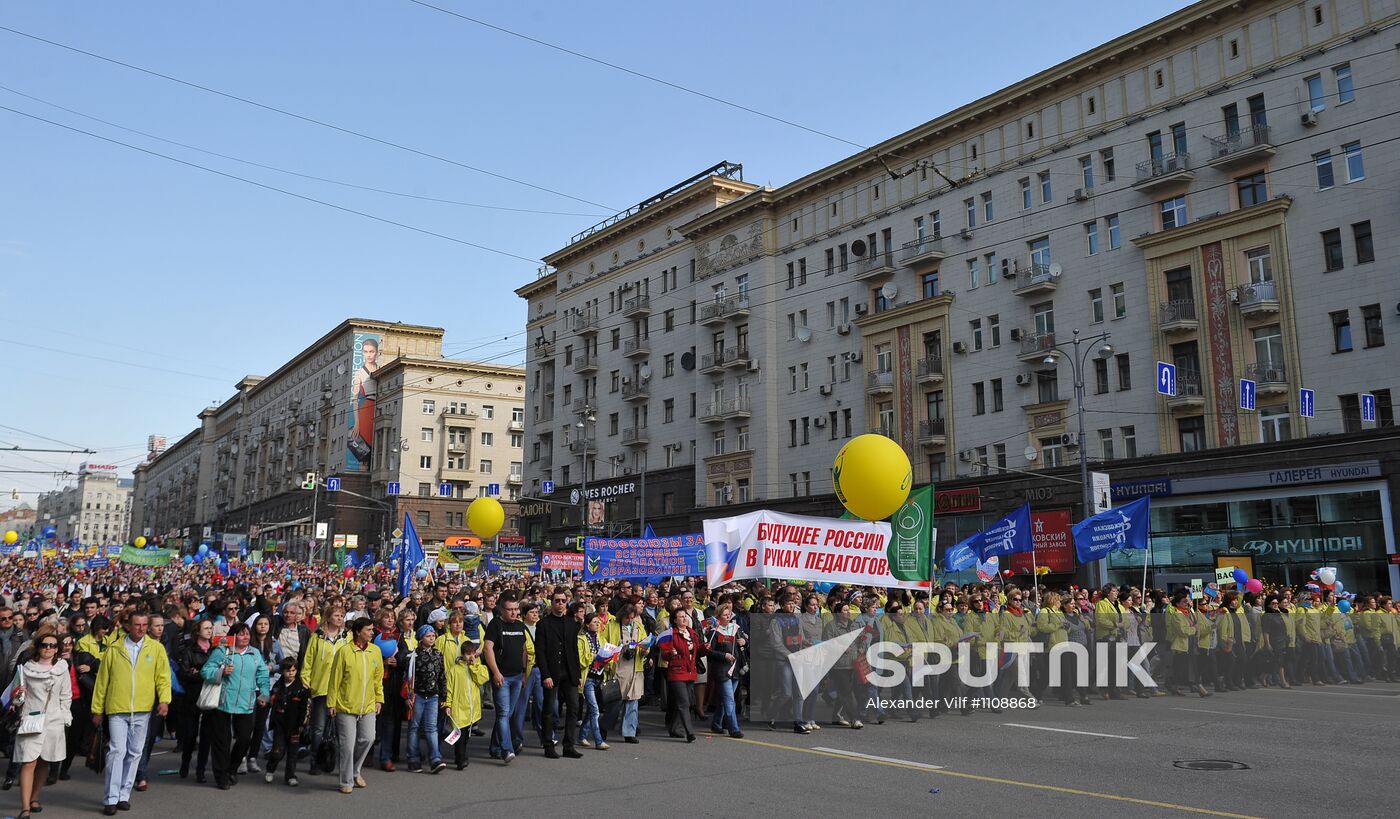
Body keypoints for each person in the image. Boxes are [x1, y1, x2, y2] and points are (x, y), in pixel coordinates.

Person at [90, 611, 171, 816]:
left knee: (135, 752)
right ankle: (111, 797)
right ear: (129, 625)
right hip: (117, 707)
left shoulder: (156, 648)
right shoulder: (114, 648)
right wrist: (97, 709)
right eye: (137, 624)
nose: (141, 628)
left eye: (145, 625)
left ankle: (124, 795)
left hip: (143, 708)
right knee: (117, 751)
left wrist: (164, 700)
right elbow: (102, 681)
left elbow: (163, 676)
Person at [10, 626, 71, 819]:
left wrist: (64, 716)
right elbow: (17, 697)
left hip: (53, 720)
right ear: (38, 646)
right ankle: (25, 808)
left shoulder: (62, 668)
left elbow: (66, 696)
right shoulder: (27, 668)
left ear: (57, 648)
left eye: (53, 645)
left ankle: (35, 798)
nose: (49, 648)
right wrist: (19, 696)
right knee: (29, 762)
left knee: (44, 760)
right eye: (45, 645)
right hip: (31, 718)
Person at [201, 622, 270, 790]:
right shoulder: (222, 651)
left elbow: (263, 674)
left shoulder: (254, 654)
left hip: (246, 703)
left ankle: (232, 768)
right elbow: (206, 670)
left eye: (247, 634)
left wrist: (264, 694)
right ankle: (221, 776)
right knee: (222, 742)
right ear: (233, 636)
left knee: (245, 738)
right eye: (241, 634)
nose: (245, 637)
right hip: (223, 703)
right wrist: (221, 672)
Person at [327, 616, 384, 795]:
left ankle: (355, 771)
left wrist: (379, 699)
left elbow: (377, 679)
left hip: (367, 704)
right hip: (345, 705)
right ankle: (346, 780)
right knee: (347, 744)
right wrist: (331, 702)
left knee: (368, 738)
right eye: (368, 630)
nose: (372, 632)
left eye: (372, 629)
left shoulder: (375, 651)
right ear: (358, 632)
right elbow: (334, 679)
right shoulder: (345, 652)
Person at [535, 590, 582, 759]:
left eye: (563, 601)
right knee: (549, 709)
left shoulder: (571, 623)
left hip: (569, 672)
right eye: (557, 601)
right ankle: (548, 744)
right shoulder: (543, 624)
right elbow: (540, 652)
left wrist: (577, 674)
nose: (560, 603)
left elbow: (574, 650)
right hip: (552, 672)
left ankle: (569, 745)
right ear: (552, 602)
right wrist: (545, 674)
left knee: (573, 708)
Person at [300, 603, 346, 777]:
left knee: (339, 728)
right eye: (336, 615)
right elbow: (308, 660)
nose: (339, 619)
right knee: (318, 727)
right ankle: (315, 760)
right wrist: (306, 678)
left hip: (341, 688)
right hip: (321, 687)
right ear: (328, 617)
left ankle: (337, 761)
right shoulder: (317, 637)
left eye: (341, 616)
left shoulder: (346, 637)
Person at [482, 596, 526, 764]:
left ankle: (494, 747)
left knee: (506, 715)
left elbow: (523, 650)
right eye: (510, 609)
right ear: (502, 610)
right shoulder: (495, 625)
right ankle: (506, 749)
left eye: (516, 609)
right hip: (502, 677)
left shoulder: (520, 626)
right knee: (503, 714)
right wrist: (496, 672)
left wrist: (523, 673)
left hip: (516, 676)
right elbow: (488, 648)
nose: (514, 612)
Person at [175, 619, 214, 782]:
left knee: (206, 737)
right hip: (192, 697)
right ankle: (185, 763)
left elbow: (220, 671)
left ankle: (200, 770)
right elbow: (184, 674)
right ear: (197, 631)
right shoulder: (189, 650)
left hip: (210, 697)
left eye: (211, 628)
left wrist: (199, 671)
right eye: (206, 628)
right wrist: (203, 674)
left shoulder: (215, 650)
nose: (210, 631)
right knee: (190, 735)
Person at [405, 625, 447, 773]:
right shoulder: (413, 656)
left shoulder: (438, 654)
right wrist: (408, 696)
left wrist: (443, 696)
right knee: (415, 727)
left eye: (433, 636)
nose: (431, 638)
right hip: (418, 695)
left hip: (433, 696)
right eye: (428, 636)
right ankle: (413, 759)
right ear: (421, 638)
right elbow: (408, 678)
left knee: (431, 728)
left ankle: (435, 758)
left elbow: (442, 675)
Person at [442, 636, 488, 770]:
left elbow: (482, 679)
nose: (471, 657)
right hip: (459, 706)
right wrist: (448, 704)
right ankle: (460, 759)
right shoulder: (454, 670)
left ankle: (460, 756)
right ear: (462, 655)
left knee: (466, 734)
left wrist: (474, 667)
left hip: (471, 708)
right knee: (460, 734)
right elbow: (449, 689)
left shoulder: (479, 667)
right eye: (468, 654)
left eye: (473, 654)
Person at [263, 657, 309, 786]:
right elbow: (270, 701)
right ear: (282, 671)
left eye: (293, 670)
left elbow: (303, 708)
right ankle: (270, 769)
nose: (291, 673)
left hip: (294, 726)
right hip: (279, 724)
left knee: (293, 753)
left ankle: (290, 775)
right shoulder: (278, 686)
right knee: (278, 750)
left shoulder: (301, 689)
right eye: (288, 670)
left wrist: (301, 724)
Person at [662, 610, 705, 743]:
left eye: (685, 616)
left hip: (690, 671)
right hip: (677, 671)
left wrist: (705, 648)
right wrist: (670, 653)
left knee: (682, 702)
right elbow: (664, 654)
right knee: (684, 702)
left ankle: (674, 728)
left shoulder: (692, 633)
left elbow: (699, 651)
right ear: (675, 620)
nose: (684, 619)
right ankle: (689, 732)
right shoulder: (670, 635)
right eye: (681, 617)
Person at [705, 602, 745, 738]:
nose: (728, 617)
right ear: (718, 617)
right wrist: (724, 655)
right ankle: (734, 728)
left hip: (735, 668)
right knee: (729, 700)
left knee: (725, 699)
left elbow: (744, 643)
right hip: (722, 670)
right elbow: (709, 652)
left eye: (729, 614)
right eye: (724, 615)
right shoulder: (714, 632)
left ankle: (716, 723)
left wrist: (744, 642)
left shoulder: (736, 628)